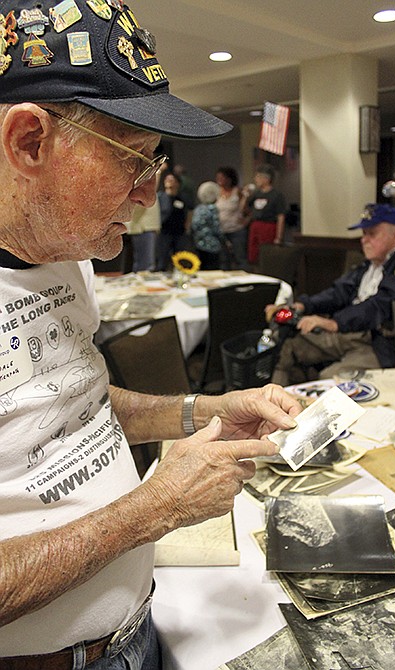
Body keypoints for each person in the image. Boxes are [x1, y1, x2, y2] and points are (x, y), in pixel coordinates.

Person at [0, 2, 303, 668]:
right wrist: (155, 509)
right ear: (29, 141)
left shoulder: (64, 251)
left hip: (140, 626)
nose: (148, 195)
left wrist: (208, 410)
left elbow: (80, 405)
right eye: (132, 162)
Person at [267, 204, 395, 385]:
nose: (364, 240)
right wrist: (303, 305)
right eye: (364, 234)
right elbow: (339, 292)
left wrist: (334, 323)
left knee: (329, 380)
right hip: (353, 332)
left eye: (372, 234)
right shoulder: (371, 264)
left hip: (383, 345)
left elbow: (380, 305)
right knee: (285, 348)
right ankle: (278, 407)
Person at [244, 164, 287, 266]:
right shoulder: (256, 194)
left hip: (268, 226)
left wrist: (279, 237)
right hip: (255, 225)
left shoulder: (277, 195)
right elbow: (245, 209)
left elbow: (281, 216)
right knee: (253, 255)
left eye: (258, 177)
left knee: (266, 255)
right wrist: (245, 196)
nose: (256, 179)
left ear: (266, 179)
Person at [215, 166, 249, 270]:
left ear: (229, 179)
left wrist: (245, 221)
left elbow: (247, 211)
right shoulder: (217, 192)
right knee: (223, 259)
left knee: (240, 258)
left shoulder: (237, 192)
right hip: (221, 230)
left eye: (222, 178)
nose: (219, 180)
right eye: (218, 178)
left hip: (236, 230)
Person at [156, 172, 189, 271]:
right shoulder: (160, 197)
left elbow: (186, 213)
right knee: (162, 258)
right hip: (164, 232)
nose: (169, 182)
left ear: (177, 183)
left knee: (179, 258)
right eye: (167, 180)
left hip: (179, 232)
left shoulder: (182, 198)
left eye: (172, 180)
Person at [190, 181, 225, 270]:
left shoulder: (198, 208)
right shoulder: (213, 209)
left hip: (198, 244)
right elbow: (216, 227)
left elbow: (194, 225)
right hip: (212, 245)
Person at [127, 195, 161, 272]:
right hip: (142, 227)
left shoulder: (147, 186)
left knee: (145, 264)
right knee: (144, 264)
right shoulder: (145, 186)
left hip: (145, 226)